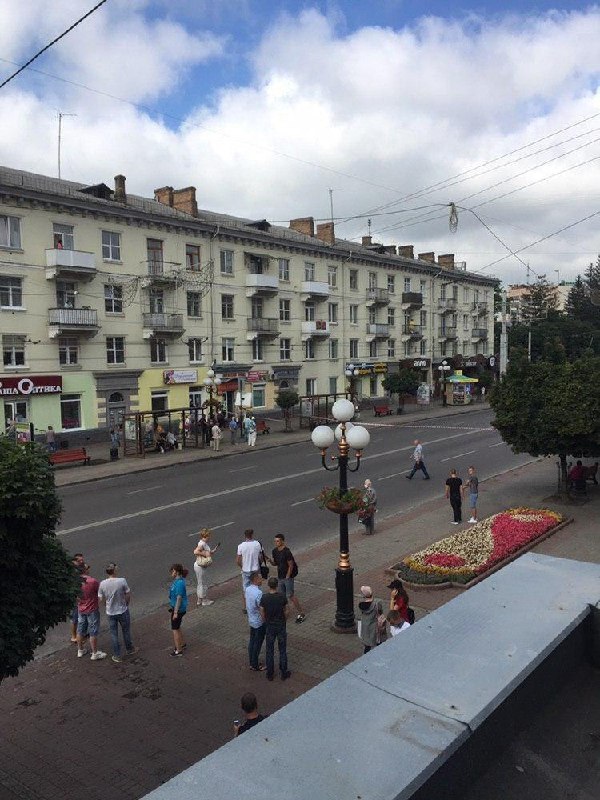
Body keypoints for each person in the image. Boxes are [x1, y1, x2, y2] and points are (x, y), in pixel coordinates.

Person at [98, 563, 135, 663]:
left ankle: (117, 655)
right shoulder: (121, 581)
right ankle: (129, 649)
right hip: (122, 610)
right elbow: (127, 594)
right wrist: (126, 604)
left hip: (110, 612)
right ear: (114, 571)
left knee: (114, 634)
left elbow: (101, 598)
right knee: (126, 631)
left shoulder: (102, 583)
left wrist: (106, 605)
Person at [267, 534, 305, 623]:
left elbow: (291, 565)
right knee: (282, 596)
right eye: (275, 541)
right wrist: (270, 561)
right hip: (280, 576)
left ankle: (301, 612)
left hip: (287, 577)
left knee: (290, 595)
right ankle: (285, 612)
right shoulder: (274, 551)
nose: (276, 543)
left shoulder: (287, 552)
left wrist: (288, 576)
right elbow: (276, 563)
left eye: (278, 541)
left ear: (282, 541)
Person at [260, 576, 290, 681]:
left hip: (270, 626)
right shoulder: (282, 597)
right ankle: (284, 672)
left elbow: (262, 612)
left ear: (269, 585)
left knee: (269, 650)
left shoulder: (264, 598)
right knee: (282, 649)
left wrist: (266, 621)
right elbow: (287, 611)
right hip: (280, 625)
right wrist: (284, 620)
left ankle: (270, 673)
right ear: (277, 585)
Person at [76, 564, 107, 661]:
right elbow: (100, 593)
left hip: (81, 609)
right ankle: (95, 653)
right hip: (92, 609)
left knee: (80, 630)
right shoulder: (92, 581)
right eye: (87, 567)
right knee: (93, 631)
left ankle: (80, 650)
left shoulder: (75, 582)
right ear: (85, 570)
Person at [236, 529, 263, 613]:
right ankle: (258, 605)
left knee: (245, 589)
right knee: (257, 587)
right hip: (255, 570)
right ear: (252, 535)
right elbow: (261, 557)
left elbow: (238, 560)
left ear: (245, 536)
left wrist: (242, 567)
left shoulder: (241, 546)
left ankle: (246, 608)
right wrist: (259, 565)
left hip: (245, 571)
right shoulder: (257, 544)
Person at [193, 528, 220, 606]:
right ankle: (204, 600)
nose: (209, 537)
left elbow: (204, 551)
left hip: (198, 565)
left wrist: (211, 551)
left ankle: (199, 600)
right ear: (206, 535)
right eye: (208, 536)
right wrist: (206, 554)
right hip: (201, 566)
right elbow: (196, 552)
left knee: (200, 583)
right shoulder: (202, 544)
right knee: (203, 583)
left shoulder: (202, 542)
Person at [245, 571, 266, 671]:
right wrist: (265, 620)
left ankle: (252, 662)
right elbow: (261, 607)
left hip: (251, 619)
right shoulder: (259, 593)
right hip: (258, 621)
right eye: (260, 578)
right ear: (255, 580)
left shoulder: (248, 589)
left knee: (252, 641)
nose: (261, 580)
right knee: (257, 643)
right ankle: (255, 664)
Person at [357, 586, 385, 654]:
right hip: (375, 627)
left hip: (365, 627)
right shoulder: (377, 604)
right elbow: (380, 613)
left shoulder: (361, 605)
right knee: (378, 642)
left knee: (367, 645)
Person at [168, 563, 188, 656]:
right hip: (177, 608)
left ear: (176, 572)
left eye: (172, 571)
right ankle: (182, 644)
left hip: (178, 610)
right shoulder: (178, 581)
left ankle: (178, 650)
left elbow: (179, 598)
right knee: (178, 627)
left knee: (175, 629)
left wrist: (175, 612)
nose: (171, 573)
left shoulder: (179, 583)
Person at [69, 552, 85, 643]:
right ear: (74, 561)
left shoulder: (80, 568)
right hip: (75, 598)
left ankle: (80, 634)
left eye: (82, 559)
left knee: (79, 617)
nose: (82, 561)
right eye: (79, 560)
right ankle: (74, 636)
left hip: (80, 596)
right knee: (74, 618)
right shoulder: (73, 571)